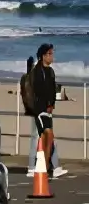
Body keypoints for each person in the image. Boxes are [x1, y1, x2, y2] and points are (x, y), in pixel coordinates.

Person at [28, 44, 68, 178]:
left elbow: (52, 89)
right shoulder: (36, 71)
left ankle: (55, 167)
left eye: (52, 53)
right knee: (37, 137)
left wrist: (52, 104)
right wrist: (42, 106)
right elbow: (37, 91)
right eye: (50, 54)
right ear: (43, 56)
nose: (52, 56)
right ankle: (33, 167)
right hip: (38, 109)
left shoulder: (50, 71)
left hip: (48, 109)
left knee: (49, 137)